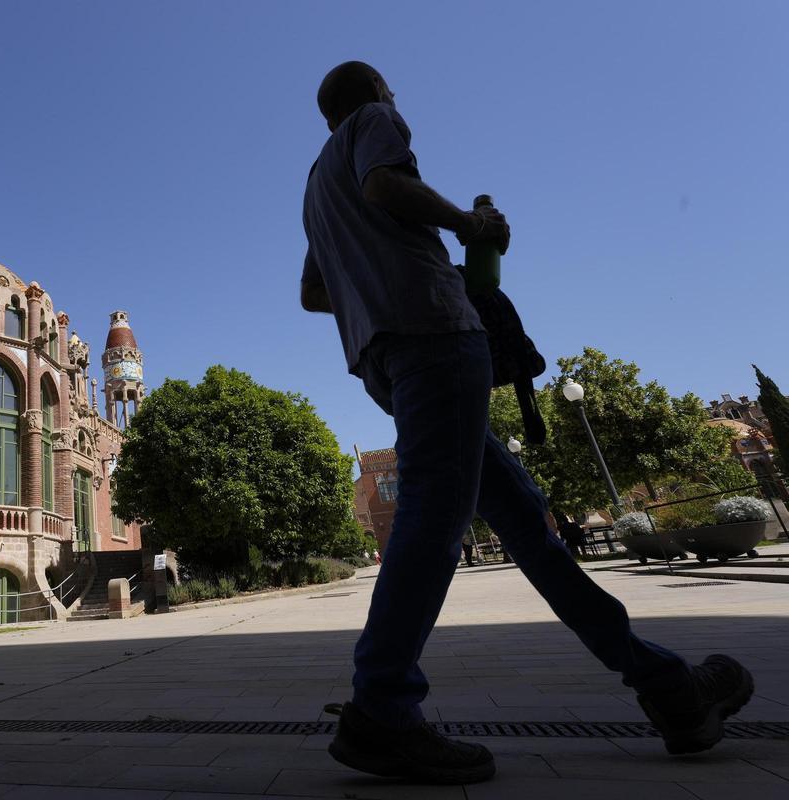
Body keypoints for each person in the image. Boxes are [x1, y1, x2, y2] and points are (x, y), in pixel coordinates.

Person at [300, 61, 753, 785]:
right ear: (377, 92)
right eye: (391, 89)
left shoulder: (317, 188)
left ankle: (671, 692)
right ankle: (382, 708)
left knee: (528, 522)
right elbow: (387, 185)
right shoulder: (374, 124)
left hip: (383, 360)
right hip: (434, 340)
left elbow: (312, 291)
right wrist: (468, 228)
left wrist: (373, 284)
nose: (395, 98)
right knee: (432, 519)